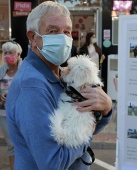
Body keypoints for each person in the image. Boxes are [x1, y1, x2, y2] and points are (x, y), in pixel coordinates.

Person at [6, 1, 112, 170]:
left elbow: (81, 123)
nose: (63, 38)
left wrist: (105, 108)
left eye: (67, 31)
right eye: (53, 31)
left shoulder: (62, 75)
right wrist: (86, 133)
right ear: (33, 37)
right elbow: (53, 163)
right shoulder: (32, 87)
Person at [0, 41, 22, 170]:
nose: (8, 55)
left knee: (23, 142)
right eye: (5, 53)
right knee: (11, 144)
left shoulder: (25, 70)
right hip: (4, 113)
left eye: (11, 53)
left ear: (18, 55)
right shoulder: (1, 70)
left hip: (21, 113)